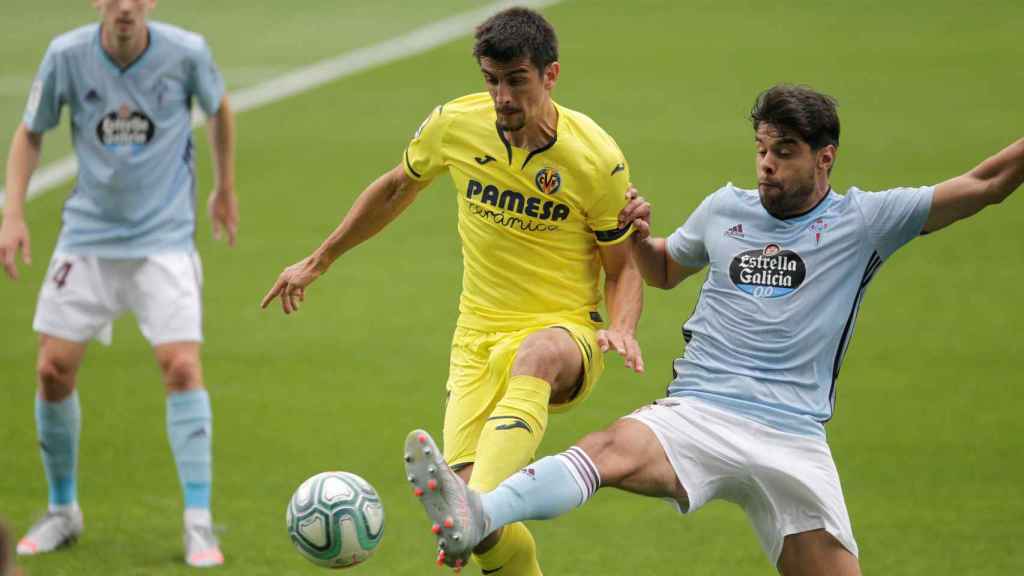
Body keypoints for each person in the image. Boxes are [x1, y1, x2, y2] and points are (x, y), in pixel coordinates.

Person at [403, 84, 1023, 575]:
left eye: (784, 153)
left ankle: (482, 509)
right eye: (762, 149)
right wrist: (642, 241)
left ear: (824, 157)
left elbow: (986, 184)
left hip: (793, 436)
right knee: (606, 451)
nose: (766, 166)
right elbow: (667, 269)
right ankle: (480, 512)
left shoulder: (865, 221)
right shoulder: (726, 208)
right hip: (699, 411)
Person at [262, 7, 642, 575]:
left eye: (517, 80)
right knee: (487, 539)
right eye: (492, 80)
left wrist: (621, 328)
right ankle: (477, 513)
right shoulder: (454, 125)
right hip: (475, 342)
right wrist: (319, 261)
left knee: (533, 362)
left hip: (565, 331)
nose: (503, 97)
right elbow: (396, 188)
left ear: (550, 75)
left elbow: (623, 265)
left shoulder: (596, 159)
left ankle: (473, 505)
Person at [0, 0, 237, 567]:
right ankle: (63, 510)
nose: (125, 7)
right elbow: (30, 133)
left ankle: (198, 522)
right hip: (87, 236)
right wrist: (12, 213)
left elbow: (220, 109)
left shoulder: (187, 52)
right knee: (51, 370)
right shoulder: (67, 56)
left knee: (182, 367)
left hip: (165, 239)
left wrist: (224, 186)